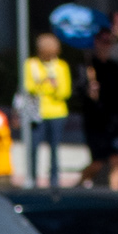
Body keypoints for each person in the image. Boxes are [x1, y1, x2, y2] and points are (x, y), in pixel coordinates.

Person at [80, 27, 118, 188]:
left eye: (109, 42)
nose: (106, 45)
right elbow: (78, 92)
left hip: (115, 122)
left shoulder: (115, 68)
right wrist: (88, 91)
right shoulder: (87, 67)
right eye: (103, 41)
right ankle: (81, 181)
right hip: (96, 122)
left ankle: (115, 193)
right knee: (98, 161)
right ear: (96, 43)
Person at [22, 30, 72, 185]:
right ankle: (32, 179)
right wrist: (48, 86)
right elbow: (28, 87)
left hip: (57, 114)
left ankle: (54, 181)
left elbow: (65, 92)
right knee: (33, 148)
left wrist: (46, 87)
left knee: (54, 150)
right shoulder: (31, 64)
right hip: (37, 114)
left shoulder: (61, 66)